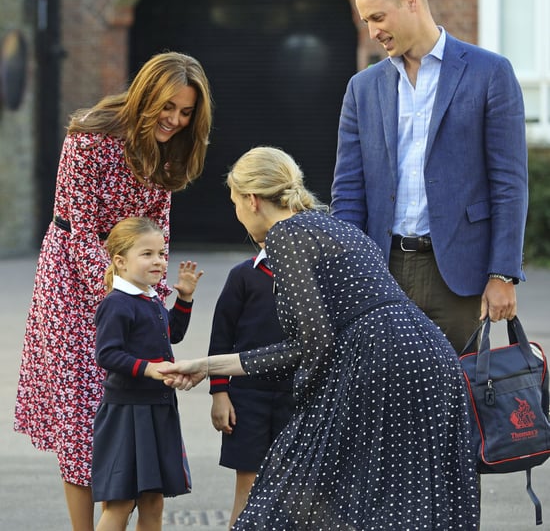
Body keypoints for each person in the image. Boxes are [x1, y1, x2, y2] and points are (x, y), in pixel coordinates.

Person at [159, 146, 480, 530]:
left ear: (252, 200)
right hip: (430, 356)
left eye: (234, 203)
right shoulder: (336, 226)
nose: (237, 214)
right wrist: (207, 366)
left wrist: (306, 407)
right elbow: (314, 341)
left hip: (379, 361)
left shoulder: (285, 236)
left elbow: (314, 343)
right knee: (405, 499)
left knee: (289, 492)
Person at [13, 51, 212, 531]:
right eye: (168, 107)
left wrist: (156, 294)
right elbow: (81, 229)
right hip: (73, 278)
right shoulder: (90, 136)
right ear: (145, 95)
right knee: (82, 417)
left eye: (186, 113)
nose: (175, 120)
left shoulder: (171, 146)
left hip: (131, 276)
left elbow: (157, 226)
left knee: (125, 406)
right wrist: (119, 296)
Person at [330, 0, 528, 354]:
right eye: (366, 21)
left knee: (457, 400)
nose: (372, 32)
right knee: (386, 400)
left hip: (458, 275)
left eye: (377, 17)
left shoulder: (490, 73)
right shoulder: (362, 88)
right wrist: (348, 273)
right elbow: (348, 192)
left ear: (410, 1)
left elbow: (509, 183)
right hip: (381, 271)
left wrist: (503, 274)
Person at [92, 217, 203, 531]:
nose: (158, 261)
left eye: (162, 253)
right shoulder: (116, 303)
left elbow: (173, 334)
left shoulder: (151, 298)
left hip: (157, 410)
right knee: (120, 503)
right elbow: (107, 354)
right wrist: (149, 369)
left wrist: (184, 299)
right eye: (147, 254)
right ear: (120, 261)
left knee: (153, 503)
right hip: (127, 413)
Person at [208, 242, 295, 528]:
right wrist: (219, 393)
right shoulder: (242, 276)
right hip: (247, 397)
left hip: (298, 398)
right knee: (248, 485)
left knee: (294, 489)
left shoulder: (313, 276)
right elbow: (221, 337)